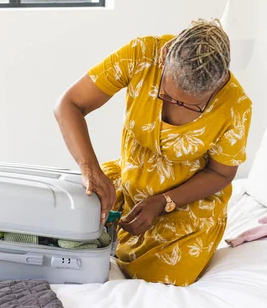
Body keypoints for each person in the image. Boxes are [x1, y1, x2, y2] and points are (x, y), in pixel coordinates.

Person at [54, 19, 252, 286]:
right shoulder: (142, 55)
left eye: (190, 105)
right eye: (166, 94)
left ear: (217, 88)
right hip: (128, 180)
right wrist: (90, 169)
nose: (173, 105)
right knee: (61, 227)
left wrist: (164, 201)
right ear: (164, 58)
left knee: (159, 280)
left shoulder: (235, 106)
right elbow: (69, 104)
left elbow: (220, 172)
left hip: (185, 203)